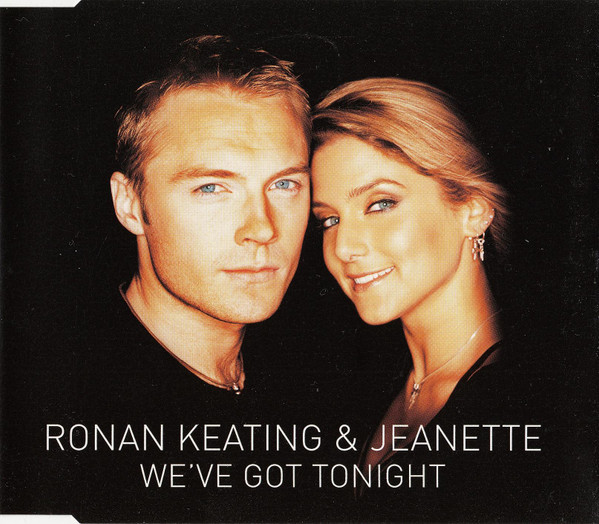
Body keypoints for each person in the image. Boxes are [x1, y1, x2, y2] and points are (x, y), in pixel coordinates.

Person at [38, 35, 315, 523]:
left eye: (284, 183)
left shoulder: (318, 378)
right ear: (130, 204)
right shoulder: (62, 423)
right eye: (211, 187)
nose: (262, 229)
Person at [311, 78, 552, 520]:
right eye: (329, 220)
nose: (343, 247)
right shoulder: (355, 388)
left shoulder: (523, 413)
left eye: (380, 204)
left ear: (472, 209)